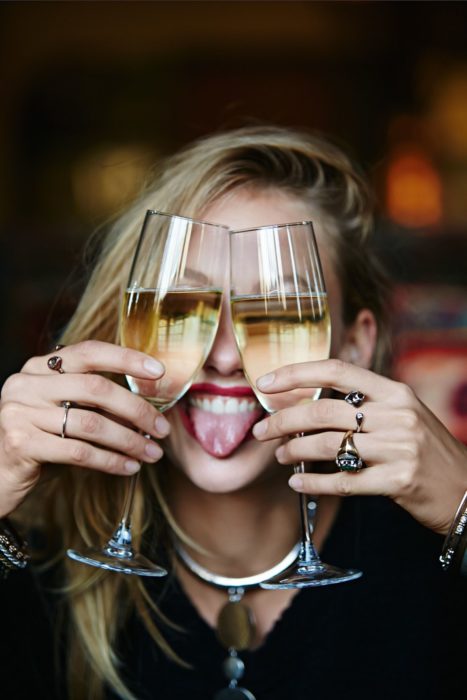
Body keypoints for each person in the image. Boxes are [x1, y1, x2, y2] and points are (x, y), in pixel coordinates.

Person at [0, 125, 466, 700]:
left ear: (354, 345)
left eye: (278, 308)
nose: (222, 356)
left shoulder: (429, 557)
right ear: (125, 324)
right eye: (180, 305)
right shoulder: (38, 559)